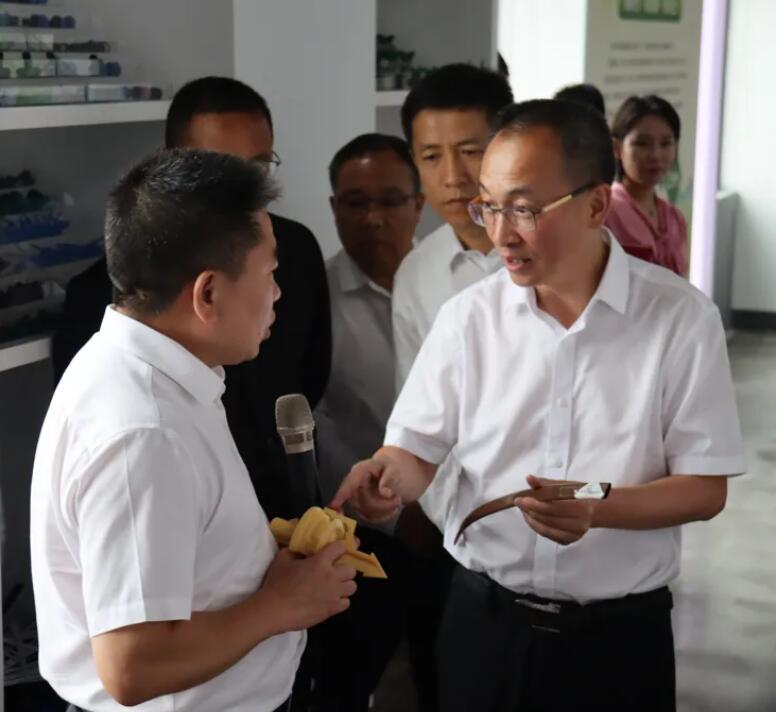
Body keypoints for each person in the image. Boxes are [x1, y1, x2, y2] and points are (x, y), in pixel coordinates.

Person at [332, 99, 745, 712]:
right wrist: (387, 478)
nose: (501, 233)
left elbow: (705, 488)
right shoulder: (468, 318)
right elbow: (416, 449)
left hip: (618, 640)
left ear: (596, 205)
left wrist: (598, 505)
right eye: (490, 206)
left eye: (524, 209)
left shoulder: (678, 319)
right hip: (483, 623)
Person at [30, 149, 356, 711]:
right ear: (208, 294)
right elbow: (132, 665)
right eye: (269, 273)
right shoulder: (144, 432)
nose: (278, 293)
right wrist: (280, 604)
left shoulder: (152, 369)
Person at [51, 76, 331, 519]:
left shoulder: (295, 250)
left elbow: (310, 377)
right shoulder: (138, 426)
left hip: (284, 507)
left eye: (258, 169)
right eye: (222, 174)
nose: (243, 197)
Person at [391, 63, 514, 711]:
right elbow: (418, 423)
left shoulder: (555, 255)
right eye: (431, 156)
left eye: (471, 151)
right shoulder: (419, 274)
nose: (453, 176)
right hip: (465, 545)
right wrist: (460, 523)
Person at [311, 133, 423, 711]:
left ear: (419, 204)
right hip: (367, 535)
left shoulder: (455, 287)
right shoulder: (314, 301)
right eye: (355, 203)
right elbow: (315, 416)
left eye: (390, 200)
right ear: (334, 208)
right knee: (351, 687)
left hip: (459, 528)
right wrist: (395, 516)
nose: (373, 218)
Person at [606, 94, 688, 276]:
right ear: (617, 148)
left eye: (666, 143)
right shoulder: (606, 211)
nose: (656, 155)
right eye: (642, 144)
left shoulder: (675, 218)